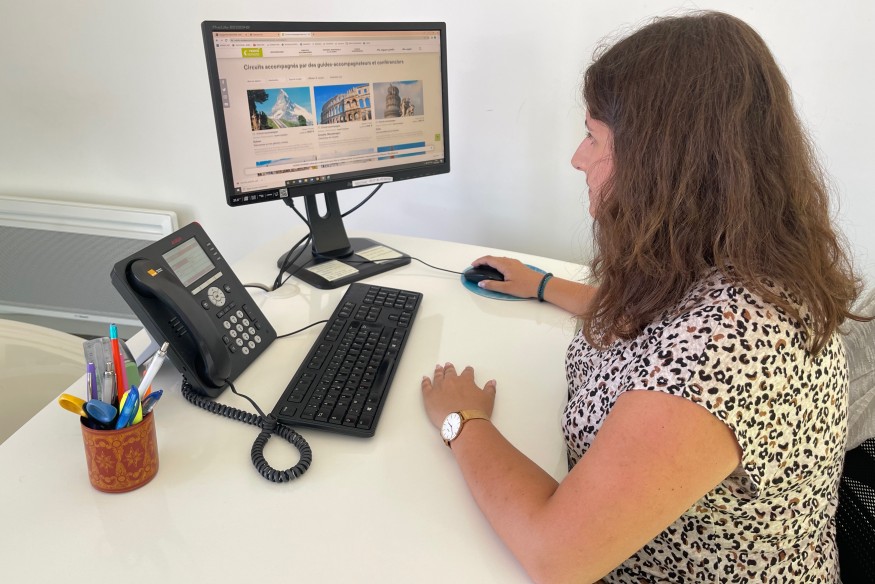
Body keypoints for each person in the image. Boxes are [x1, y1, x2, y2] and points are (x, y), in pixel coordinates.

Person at [421, 11, 868, 583]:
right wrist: (541, 285)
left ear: (661, 163)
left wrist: (461, 420)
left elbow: (555, 557)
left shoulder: (727, 350)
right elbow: (658, 325)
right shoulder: (742, 258)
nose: (577, 158)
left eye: (594, 137)